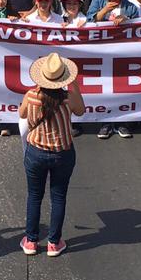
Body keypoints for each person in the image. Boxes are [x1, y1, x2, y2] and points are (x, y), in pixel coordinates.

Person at [19, 52, 85, 257]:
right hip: (62, 153)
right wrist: (73, 84)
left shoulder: (31, 96)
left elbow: (22, 114)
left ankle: (31, 241)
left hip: (36, 152)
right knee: (58, 197)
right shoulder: (67, 99)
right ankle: (54, 243)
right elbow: (81, 110)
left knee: (34, 196)